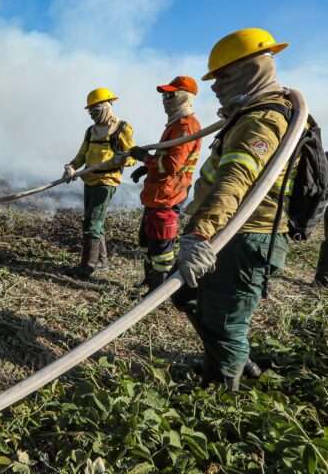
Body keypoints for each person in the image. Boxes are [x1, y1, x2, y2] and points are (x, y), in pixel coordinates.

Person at [175, 27, 296, 390]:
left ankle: (223, 395)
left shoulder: (261, 119)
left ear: (250, 69)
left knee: (226, 321)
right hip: (231, 234)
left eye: (223, 76)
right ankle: (230, 362)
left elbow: (234, 180)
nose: (214, 87)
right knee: (192, 298)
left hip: (246, 237)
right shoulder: (252, 112)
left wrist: (199, 233)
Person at [129, 76, 202, 294]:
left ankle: (156, 292)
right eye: (164, 95)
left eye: (170, 95)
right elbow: (168, 158)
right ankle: (149, 280)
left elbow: (172, 165)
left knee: (160, 247)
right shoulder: (175, 124)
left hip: (168, 196)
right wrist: (148, 168)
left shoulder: (185, 126)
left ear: (183, 97)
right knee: (147, 240)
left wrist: (145, 158)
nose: (165, 100)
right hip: (158, 193)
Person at [64, 87, 136, 277]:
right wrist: (71, 166)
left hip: (107, 180)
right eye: (90, 112)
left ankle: (87, 267)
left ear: (106, 107)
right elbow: (82, 155)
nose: (92, 116)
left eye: (95, 112)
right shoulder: (91, 131)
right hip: (90, 179)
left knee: (92, 224)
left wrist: (122, 159)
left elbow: (133, 156)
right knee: (94, 221)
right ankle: (101, 262)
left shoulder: (122, 128)